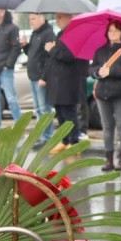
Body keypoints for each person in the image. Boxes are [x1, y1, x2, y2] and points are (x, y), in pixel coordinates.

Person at [88, 20, 121, 171]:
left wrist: (112, 71)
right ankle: (108, 159)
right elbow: (91, 68)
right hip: (103, 94)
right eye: (110, 31)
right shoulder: (101, 51)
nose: (113, 34)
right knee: (107, 127)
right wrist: (98, 72)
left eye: (116, 31)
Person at [41, 12, 89, 153]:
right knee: (60, 112)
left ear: (69, 18)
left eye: (60, 17)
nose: (57, 20)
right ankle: (65, 140)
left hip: (68, 80)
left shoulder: (74, 34)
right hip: (57, 79)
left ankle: (74, 142)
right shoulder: (61, 34)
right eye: (56, 17)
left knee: (69, 113)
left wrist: (53, 49)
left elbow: (69, 56)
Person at [20, 12, 56, 148]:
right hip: (33, 76)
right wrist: (25, 45)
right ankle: (42, 136)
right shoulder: (35, 33)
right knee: (38, 109)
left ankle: (47, 137)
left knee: (44, 109)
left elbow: (49, 58)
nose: (31, 21)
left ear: (42, 18)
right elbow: (32, 53)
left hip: (41, 77)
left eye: (33, 19)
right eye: (30, 19)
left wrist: (44, 77)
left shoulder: (48, 33)